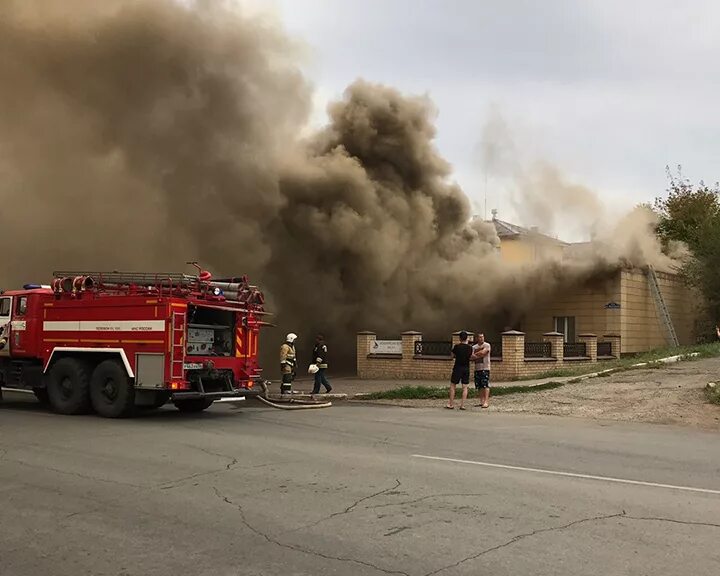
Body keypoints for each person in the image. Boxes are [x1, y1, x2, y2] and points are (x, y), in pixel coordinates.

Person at [447, 331, 473, 410]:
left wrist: (456, 355)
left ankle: (451, 404)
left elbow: (452, 356)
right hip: (466, 368)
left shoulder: (456, 347)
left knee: (453, 386)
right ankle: (463, 405)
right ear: (467, 338)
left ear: (459, 338)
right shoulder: (470, 348)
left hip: (457, 368)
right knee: (465, 387)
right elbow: (471, 357)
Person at [471, 332, 492, 408]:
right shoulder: (474, 347)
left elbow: (484, 352)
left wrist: (476, 354)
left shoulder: (487, 345)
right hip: (477, 368)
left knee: (485, 385)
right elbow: (471, 357)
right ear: (477, 338)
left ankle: (486, 401)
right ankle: (481, 401)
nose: (481, 338)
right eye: (480, 337)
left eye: (482, 337)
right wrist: (478, 354)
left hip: (485, 368)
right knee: (479, 385)